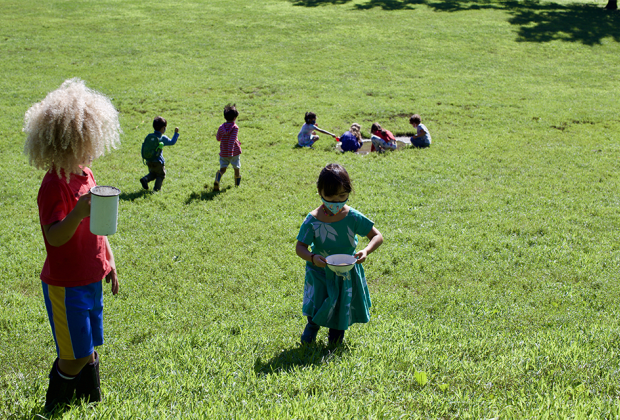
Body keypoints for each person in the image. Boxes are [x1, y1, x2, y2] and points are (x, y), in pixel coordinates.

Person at [23, 78, 121, 412]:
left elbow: (99, 227)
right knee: (74, 354)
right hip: (66, 284)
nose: (92, 147)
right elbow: (55, 236)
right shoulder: (54, 185)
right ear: (67, 142)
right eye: (86, 140)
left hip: (91, 276)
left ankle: (89, 400)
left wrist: (109, 261)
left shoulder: (86, 175)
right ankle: (54, 406)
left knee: (89, 344)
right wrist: (78, 212)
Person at [295, 163, 384, 345]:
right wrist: (312, 257)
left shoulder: (353, 217)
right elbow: (300, 247)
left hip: (346, 273)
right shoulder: (312, 220)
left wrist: (366, 250)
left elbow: (377, 236)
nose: (336, 202)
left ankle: (335, 342)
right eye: (330, 196)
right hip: (319, 272)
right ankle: (310, 333)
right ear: (320, 192)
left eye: (342, 196)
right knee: (317, 306)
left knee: (341, 306)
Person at [140, 116, 179, 192]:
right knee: (160, 175)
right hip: (158, 162)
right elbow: (172, 142)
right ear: (163, 128)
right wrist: (176, 133)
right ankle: (156, 190)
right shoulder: (162, 138)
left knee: (153, 173)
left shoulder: (149, 136)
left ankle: (145, 179)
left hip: (149, 160)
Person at [213, 104, 242, 191]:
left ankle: (217, 180)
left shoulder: (221, 127)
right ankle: (237, 185)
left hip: (223, 152)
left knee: (223, 169)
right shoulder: (235, 127)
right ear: (234, 118)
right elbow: (232, 141)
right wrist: (231, 153)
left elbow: (218, 138)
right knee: (236, 168)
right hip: (234, 152)